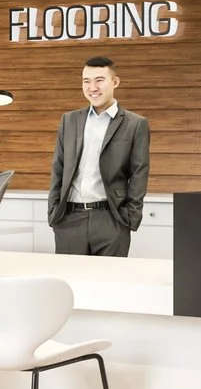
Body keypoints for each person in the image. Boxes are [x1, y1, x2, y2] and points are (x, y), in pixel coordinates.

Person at [46, 54, 150, 257]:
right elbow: (57, 167)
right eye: (87, 81)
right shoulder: (69, 120)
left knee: (110, 285)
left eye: (99, 80)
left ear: (115, 82)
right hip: (69, 219)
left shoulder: (135, 124)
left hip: (111, 219)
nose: (92, 88)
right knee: (71, 282)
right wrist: (54, 212)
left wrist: (130, 217)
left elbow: (139, 173)